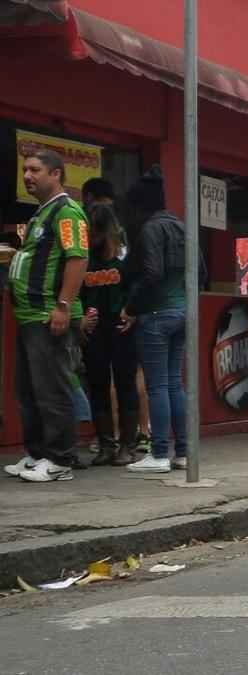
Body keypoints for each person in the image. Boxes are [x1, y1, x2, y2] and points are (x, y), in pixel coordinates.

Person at [4, 150, 89, 482]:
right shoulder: (42, 214)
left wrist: (63, 306)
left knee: (52, 389)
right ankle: (37, 454)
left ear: (56, 174)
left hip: (47, 315)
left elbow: (77, 259)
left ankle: (61, 460)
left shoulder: (67, 213)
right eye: (25, 169)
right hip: (28, 316)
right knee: (28, 390)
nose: (27, 175)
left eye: (35, 170)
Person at [120, 166, 197, 474]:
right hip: (183, 312)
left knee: (157, 386)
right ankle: (183, 453)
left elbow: (152, 272)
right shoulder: (182, 226)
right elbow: (200, 272)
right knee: (175, 383)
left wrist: (132, 307)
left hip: (156, 314)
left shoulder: (150, 229)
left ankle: (159, 453)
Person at [81, 202, 140, 467]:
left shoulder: (126, 254)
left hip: (122, 325)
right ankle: (106, 443)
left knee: (126, 383)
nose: (92, 238)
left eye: (96, 232)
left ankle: (128, 444)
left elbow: (140, 284)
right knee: (97, 383)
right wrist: (80, 316)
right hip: (94, 327)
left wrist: (133, 311)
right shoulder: (83, 254)